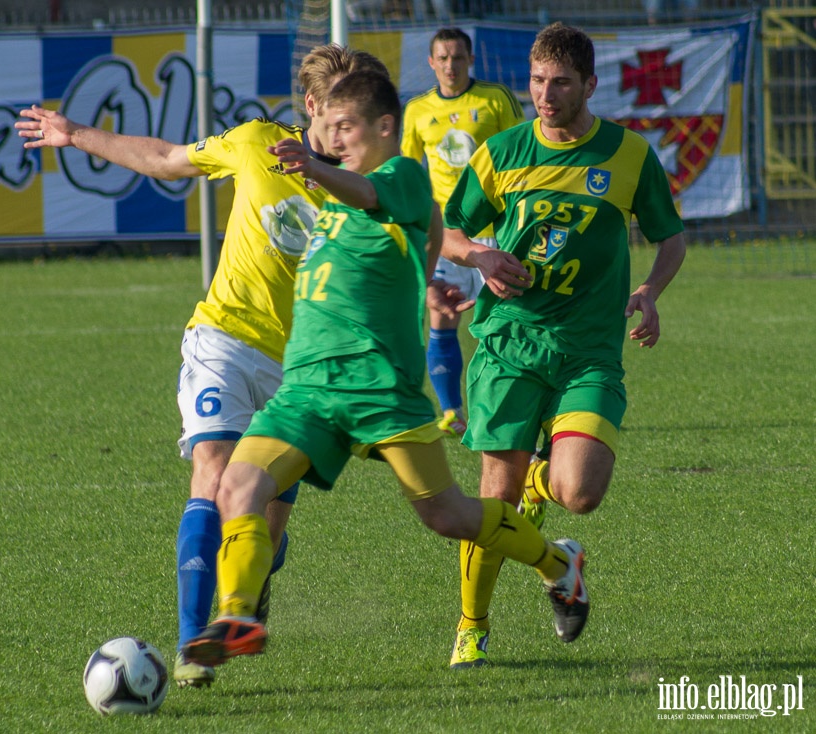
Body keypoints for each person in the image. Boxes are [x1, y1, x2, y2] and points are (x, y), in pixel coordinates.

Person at [178, 69, 589, 670]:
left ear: (385, 128)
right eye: (332, 127)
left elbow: (379, 199)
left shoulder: (398, 178)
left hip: (379, 390)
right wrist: (416, 287)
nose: (337, 139)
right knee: (236, 488)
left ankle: (559, 563)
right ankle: (237, 615)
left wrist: (316, 168)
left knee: (447, 515)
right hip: (308, 390)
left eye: (348, 128)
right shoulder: (335, 201)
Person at [15, 44, 390, 688]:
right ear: (310, 107)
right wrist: (74, 133)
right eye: (329, 114)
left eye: (349, 118)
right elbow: (165, 159)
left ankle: (255, 575)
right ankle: (193, 643)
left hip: (298, 371)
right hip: (223, 339)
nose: (338, 129)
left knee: (264, 532)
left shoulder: (365, 182)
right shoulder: (253, 144)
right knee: (211, 474)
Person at [441, 22, 687, 667]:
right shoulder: (501, 153)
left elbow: (671, 237)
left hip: (588, 349)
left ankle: (544, 505)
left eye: (560, 84)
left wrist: (651, 291)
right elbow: (447, 230)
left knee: (580, 493)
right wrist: (480, 258)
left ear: (589, 86)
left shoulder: (629, 155)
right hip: (508, 342)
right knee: (491, 499)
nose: (545, 96)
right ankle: (472, 627)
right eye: (536, 82)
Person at [401, 27, 524, 438]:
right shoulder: (417, 110)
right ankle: (452, 411)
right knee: (442, 312)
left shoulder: (495, 99)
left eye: (458, 57)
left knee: (507, 318)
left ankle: (513, 403)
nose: (450, 65)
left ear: (470, 60)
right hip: (447, 234)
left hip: (495, 229)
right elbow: (405, 170)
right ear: (431, 63)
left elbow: (521, 151)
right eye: (443, 58)